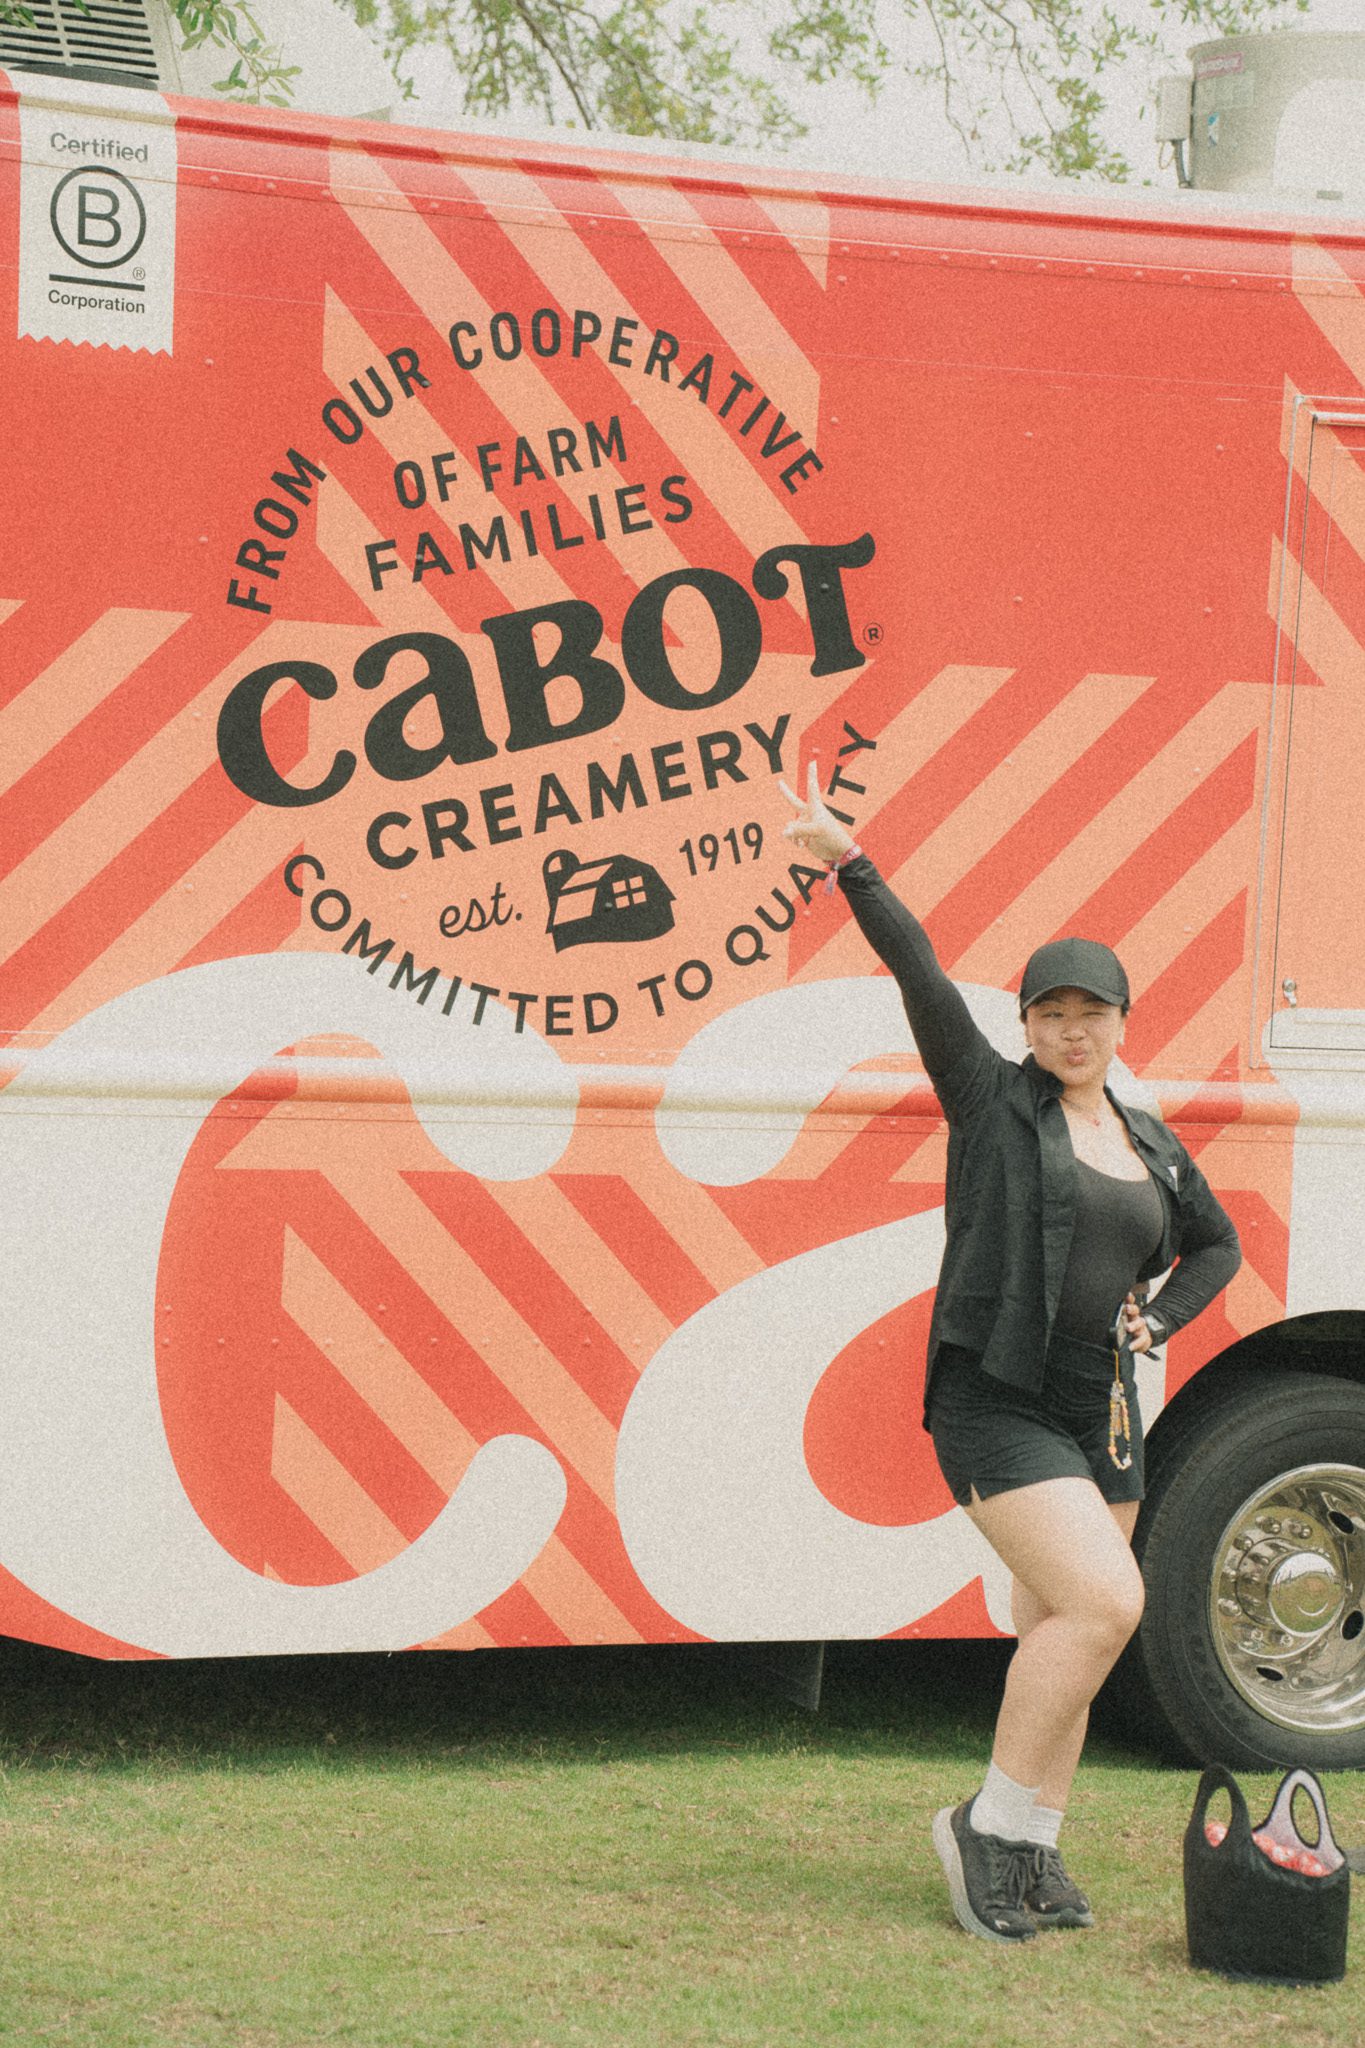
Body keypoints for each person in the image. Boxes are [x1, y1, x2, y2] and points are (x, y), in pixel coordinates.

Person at [781, 765, 1241, 1945]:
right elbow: (920, 973)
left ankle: (1033, 1849)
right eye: (1053, 1011)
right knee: (1107, 1602)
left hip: (1107, 1413)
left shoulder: (1148, 1138)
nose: (1073, 1028)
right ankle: (985, 1823)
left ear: (1123, 1022)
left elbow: (1217, 1245)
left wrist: (1161, 1316)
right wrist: (851, 861)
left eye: (1094, 1011)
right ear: (1028, 1023)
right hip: (999, 1402)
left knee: (1062, 1631)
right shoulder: (992, 1100)